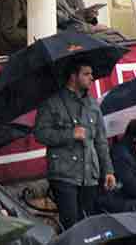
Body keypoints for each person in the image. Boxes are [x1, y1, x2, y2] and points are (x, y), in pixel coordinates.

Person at [34, 61, 116, 230]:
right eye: (86, 74)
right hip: (64, 173)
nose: (91, 78)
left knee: (88, 224)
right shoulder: (52, 102)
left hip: (89, 174)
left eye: (91, 74)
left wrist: (108, 170)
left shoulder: (92, 104)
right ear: (73, 76)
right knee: (71, 224)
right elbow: (40, 133)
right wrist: (70, 134)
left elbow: (101, 140)